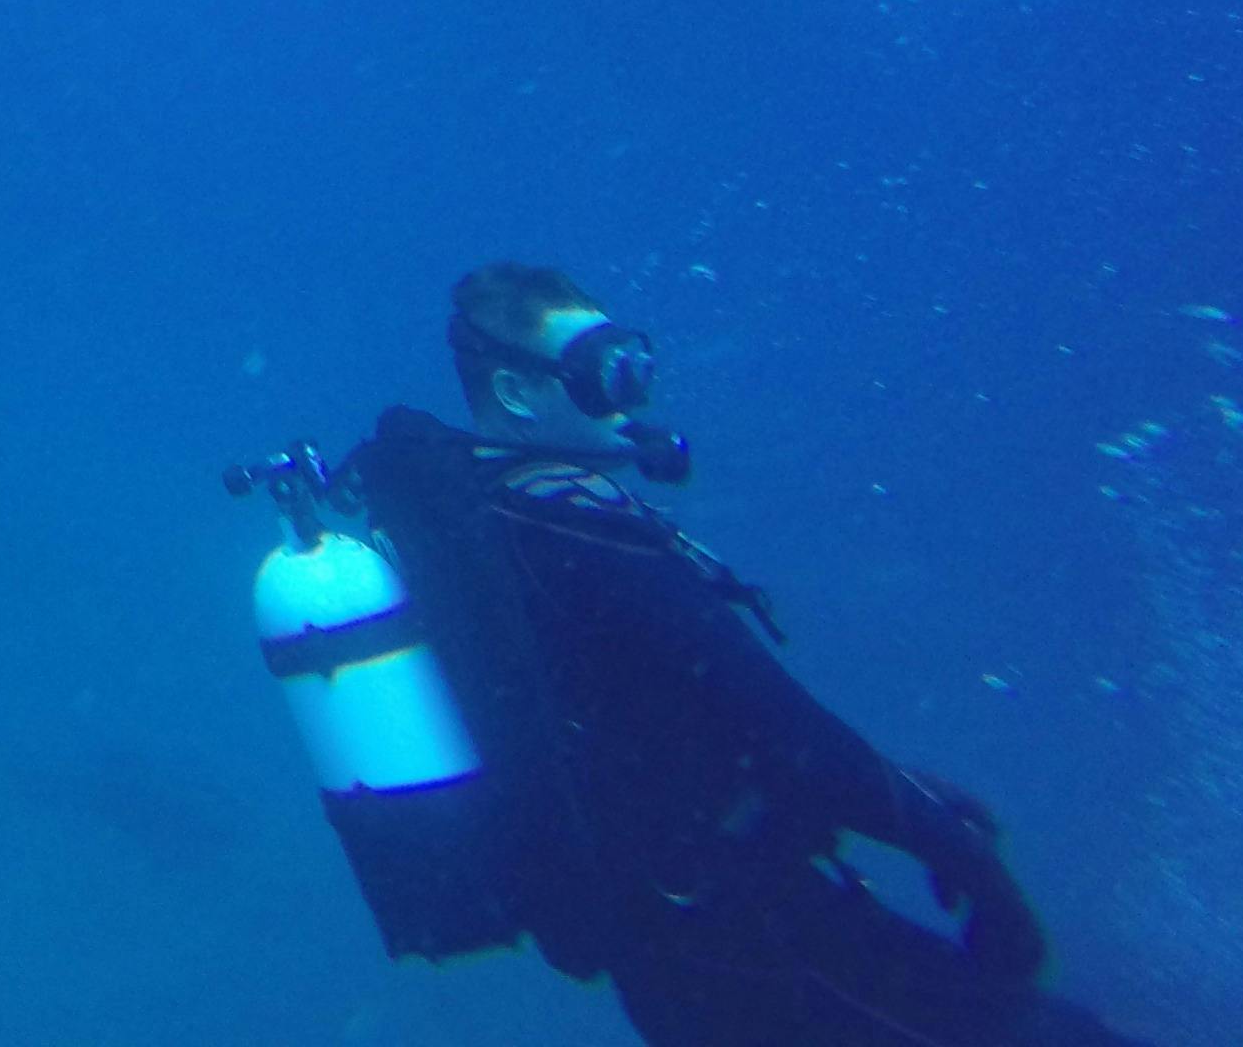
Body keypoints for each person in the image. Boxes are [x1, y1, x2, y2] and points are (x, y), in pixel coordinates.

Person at [336, 262, 1149, 1047]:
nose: (630, 394)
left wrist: (885, 798)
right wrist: (948, 844)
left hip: (689, 950)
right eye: (599, 371)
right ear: (516, 391)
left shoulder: (501, 524)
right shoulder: (574, 535)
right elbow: (774, 717)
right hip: (754, 942)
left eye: (633, 362)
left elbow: (680, 726)